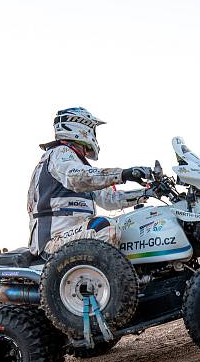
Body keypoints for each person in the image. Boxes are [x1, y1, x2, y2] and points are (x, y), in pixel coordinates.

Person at [28, 107, 152, 257]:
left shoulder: (80, 166)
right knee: (104, 227)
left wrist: (146, 193)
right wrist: (123, 174)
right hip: (54, 240)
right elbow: (76, 178)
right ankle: (112, 280)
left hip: (73, 236)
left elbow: (109, 199)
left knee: (127, 225)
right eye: (93, 129)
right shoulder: (60, 153)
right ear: (81, 127)